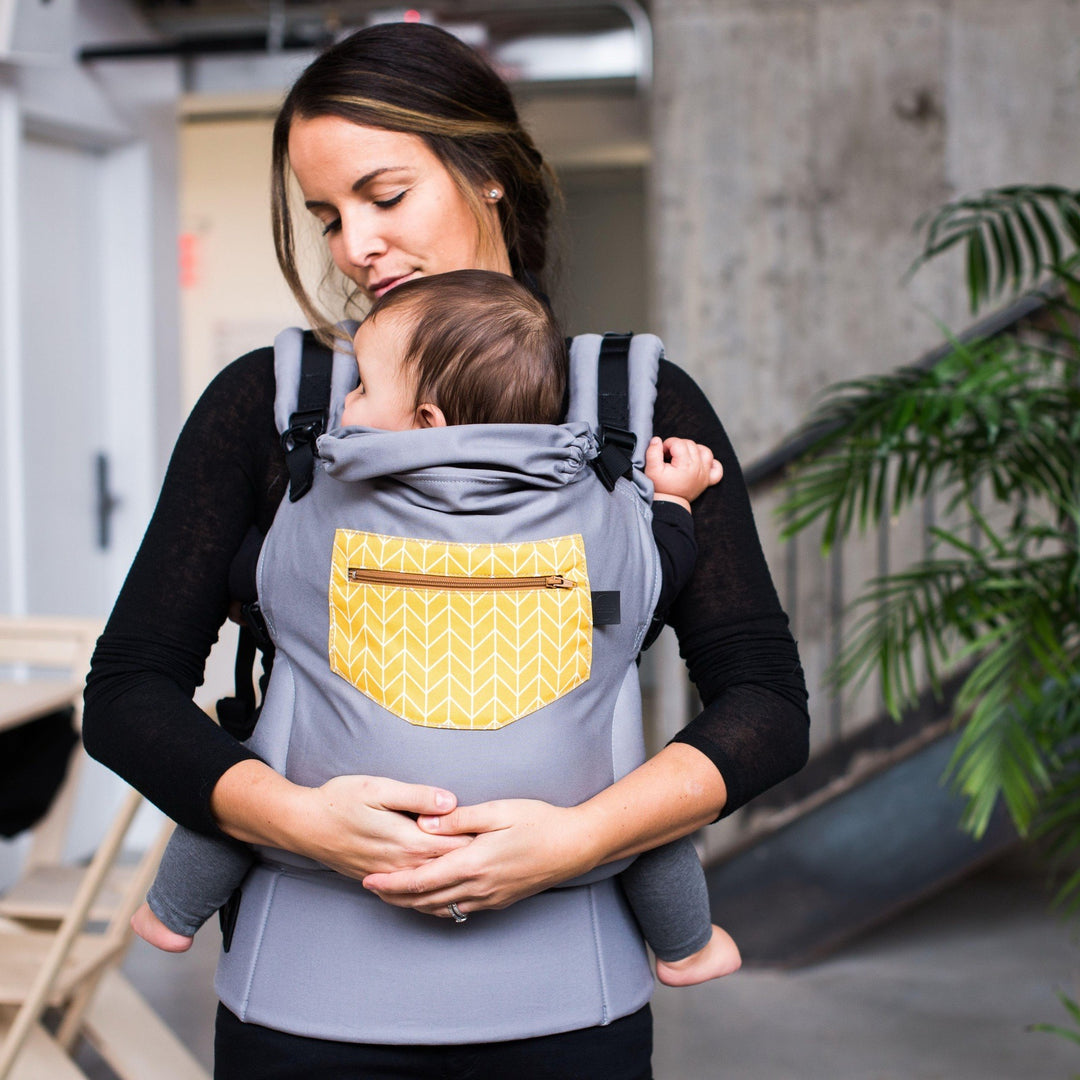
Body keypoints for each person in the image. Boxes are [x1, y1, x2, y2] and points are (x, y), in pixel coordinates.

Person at [82, 21, 808, 1078]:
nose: (352, 247)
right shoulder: (276, 404)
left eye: (384, 197)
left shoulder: (633, 403)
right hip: (303, 1007)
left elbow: (766, 705)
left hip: (571, 1013)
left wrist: (582, 839)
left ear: (490, 173)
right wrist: (298, 819)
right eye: (327, 217)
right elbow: (129, 693)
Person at [130, 269, 741, 989]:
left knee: (241, 784)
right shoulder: (598, 523)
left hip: (343, 812)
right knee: (648, 828)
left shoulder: (324, 509)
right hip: (553, 813)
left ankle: (170, 916)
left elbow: (257, 581)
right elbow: (651, 583)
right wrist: (669, 504)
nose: (344, 405)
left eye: (359, 389)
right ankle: (687, 949)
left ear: (426, 422)